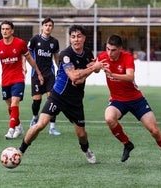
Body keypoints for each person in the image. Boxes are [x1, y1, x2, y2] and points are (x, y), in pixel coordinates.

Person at [18, 25, 104, 164]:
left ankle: (86, 149)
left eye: (79, 36)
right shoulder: (66, 54)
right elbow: (74, 76)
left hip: (75, 100)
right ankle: (20, 151)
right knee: (40, 124)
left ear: (84, 38)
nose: (76, 40)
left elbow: (94, 70)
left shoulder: (88, 53)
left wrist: (96, 67)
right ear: (70, 39)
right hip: (58, 96)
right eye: (73, 37)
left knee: (82, 134)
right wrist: (93, 68)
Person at [97, 34, 161, 168]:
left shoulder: (127, 57)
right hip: (117, 100)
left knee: (154, 131)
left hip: (136, 100)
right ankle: (127, 144)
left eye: (113, 50)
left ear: (120, 49)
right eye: (107, 49)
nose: (109, 53)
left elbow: (130, 77)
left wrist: (112, 74)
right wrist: (91, 69)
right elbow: (94, 66)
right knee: (109, 119)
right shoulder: (103, 57)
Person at [0, 20, 44, 139]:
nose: (5, 31)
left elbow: (30, 59)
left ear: (12, 31)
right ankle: (18, 126)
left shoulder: (20, 43)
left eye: (7, 29)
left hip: (18, 78)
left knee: (14, 102)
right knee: (10, 107)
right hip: (5, 80)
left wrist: (38, 72)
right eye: (3, 29)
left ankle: (11, 129)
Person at [28, 17, 61, 136]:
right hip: (36, 74)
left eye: (50, 25)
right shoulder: (34, 39)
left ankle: (52, 127)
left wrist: (60, 70)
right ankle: (35, 117)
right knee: (37, 100)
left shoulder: (54, 42)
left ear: (52, 28)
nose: (48, 27)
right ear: (42, 26)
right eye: (46, 25)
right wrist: (25, 67)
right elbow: (27, 54)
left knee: (52, 100)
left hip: (50, 74)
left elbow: (57, 58)